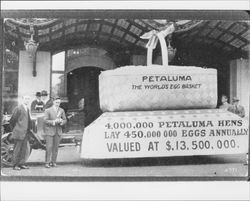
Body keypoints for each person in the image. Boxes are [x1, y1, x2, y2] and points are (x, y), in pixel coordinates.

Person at [9, 95, 32, 170]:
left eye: (28, 99)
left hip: (25, 133)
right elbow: (12, 120)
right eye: (26, 99)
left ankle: (21, 164)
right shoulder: (18, 108)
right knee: (17, 149)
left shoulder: (27, 109)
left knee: (24, 149)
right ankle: (15, 165)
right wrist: (15, 130)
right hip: (19, 132)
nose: (27, 100)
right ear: (22, 100)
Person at [43, 97, 67, 168]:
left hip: (58, 131)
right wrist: (53, 122)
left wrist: (62, 122)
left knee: (56, 148)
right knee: (49, 147)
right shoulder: (48, 110)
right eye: (56, 102)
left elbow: (65, 119)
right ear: (53, 102)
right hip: (50, 131)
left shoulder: (61, 110)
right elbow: (45, 120)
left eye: (59, 103)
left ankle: (53, 162)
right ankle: (47, 162)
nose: (58, 104)